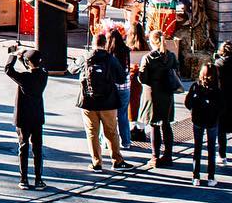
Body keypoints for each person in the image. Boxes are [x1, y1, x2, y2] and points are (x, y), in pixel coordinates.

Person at [76, 37, 130, 171]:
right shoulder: (110, 59)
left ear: (93, 44)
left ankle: (96, 163)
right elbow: (122, 78)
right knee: (111, 132)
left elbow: (72, 69)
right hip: (108, 102)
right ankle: (117, 161)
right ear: (105, 44)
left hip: (88, 102)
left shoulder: (85, 57)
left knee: (92, 132)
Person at [5, 47, 49, 190]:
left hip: (23, 116)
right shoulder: (43, 75)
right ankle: (38, 179)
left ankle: (23, 178)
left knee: (23, 146)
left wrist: (13, 55)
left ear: (28, 62)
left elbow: (8, 70)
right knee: (37, 148)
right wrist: (23, 58)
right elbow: (35, 65)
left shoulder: (24, 78)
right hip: (37, 116)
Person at [138, 30, 178, 168]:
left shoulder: (148, 58)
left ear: (151, 41)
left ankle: (155, 156)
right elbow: (176, 71)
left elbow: (143, 78)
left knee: (154, 125)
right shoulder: (171, 56)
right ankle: (168, 155)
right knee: (166, 125)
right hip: (167, 93)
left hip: (153, 93)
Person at [184, 63, 222, 187]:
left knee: (197, 148)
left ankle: (196, 176)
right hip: (212, 121)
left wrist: (193, 110)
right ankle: (211, 177)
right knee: (211, 149)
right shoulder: (217, 89)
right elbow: (223, 106)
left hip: (198, 120)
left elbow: (187, 102)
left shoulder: (196, 87)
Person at [106, 26, 134, 151]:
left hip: (112, 88)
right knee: (123, 115)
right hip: (125, 86)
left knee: (109, 116)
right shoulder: (126, 51)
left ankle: (108, 141)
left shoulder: (109, 54)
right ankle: (126, 141)